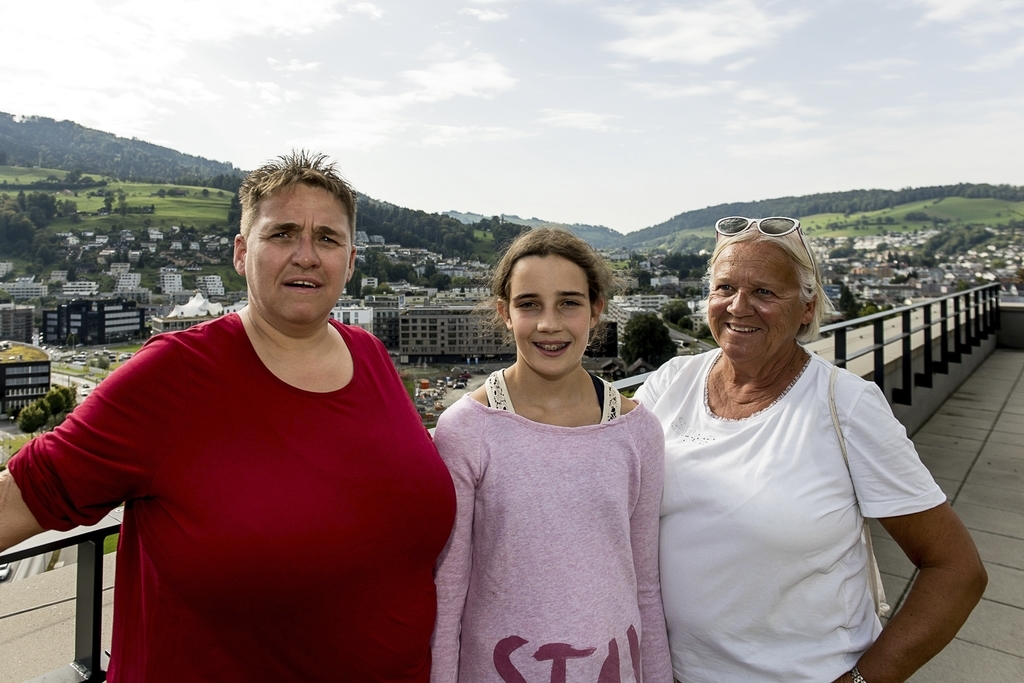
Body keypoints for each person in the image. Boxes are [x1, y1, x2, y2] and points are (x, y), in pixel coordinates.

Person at [0, 151, 456, 682]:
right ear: (242, 252)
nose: (306, 255)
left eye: (327, 239)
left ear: (351, 261)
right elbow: (19, 498)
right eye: (282, 233)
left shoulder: (372, 355)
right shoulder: (174, 374)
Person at [634, 216, 988, 683]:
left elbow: (957, 569)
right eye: (724, 288)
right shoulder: (670, 382)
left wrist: (862, 681)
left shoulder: (847, 406)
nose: (738, 307)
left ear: (806, 308)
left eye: (764, 292)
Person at [431, 228, 673, 683]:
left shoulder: (639, 432)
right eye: (529, 304)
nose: (549, 324)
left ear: (596, 310)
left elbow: (645, 584)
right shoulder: (466, 430)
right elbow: (449, 591)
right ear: (504, 313)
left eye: (568, 302)